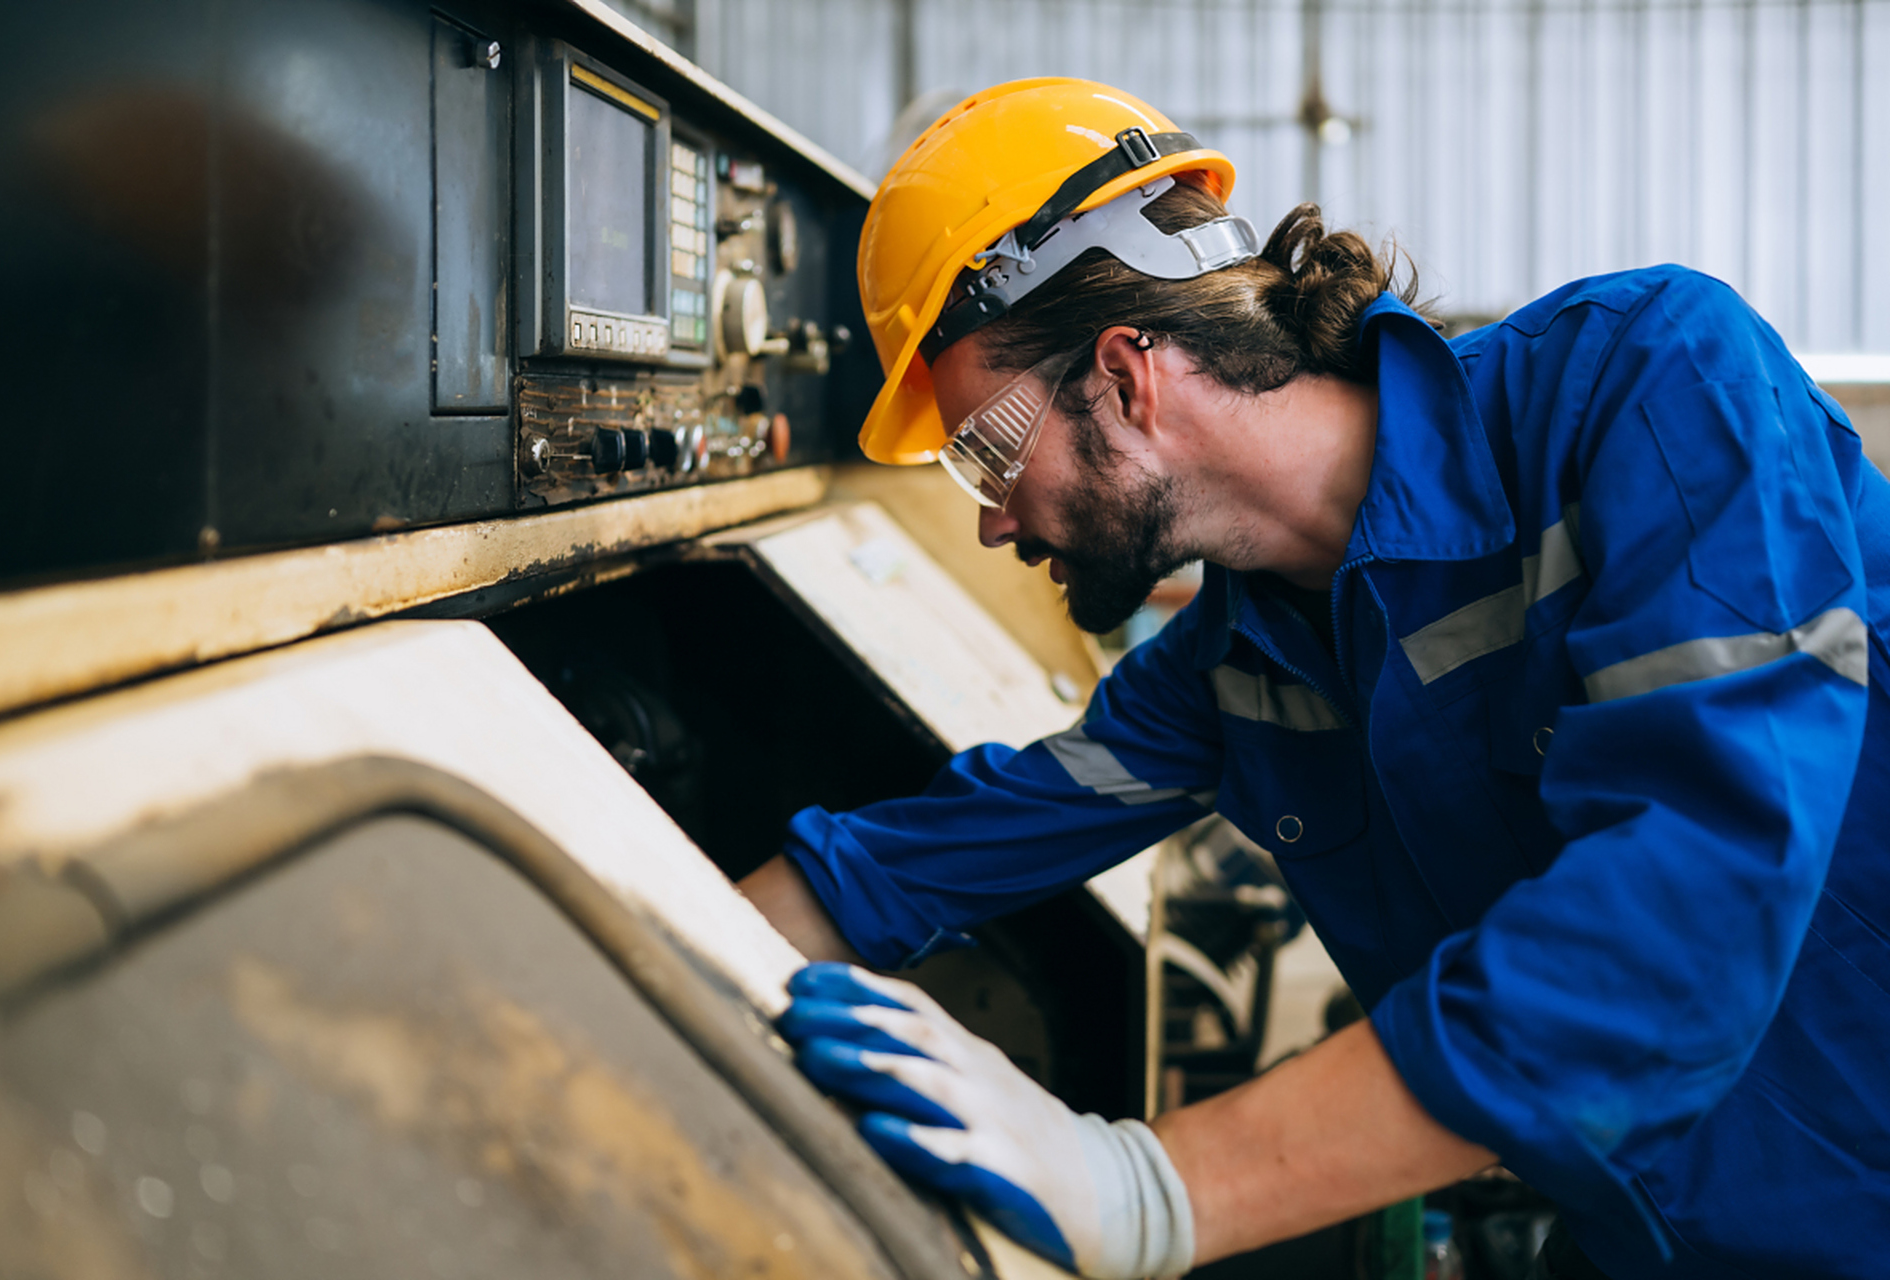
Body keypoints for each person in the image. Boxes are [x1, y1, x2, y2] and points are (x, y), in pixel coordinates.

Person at [741, 78, 1890, 1279]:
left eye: (986, 449)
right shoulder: (1238, 664)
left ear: (1126, 375)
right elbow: (909, 860)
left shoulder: (1648, 387)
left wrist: (1147, 1186)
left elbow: (1693, 901)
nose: (992, 520)